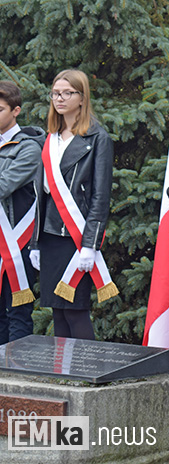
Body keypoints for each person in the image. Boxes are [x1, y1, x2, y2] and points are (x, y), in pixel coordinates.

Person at [29, 69, 116, 340]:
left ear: (82, 97)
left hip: (76, 238)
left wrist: (90, 244)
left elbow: (100, 197)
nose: (60, 98)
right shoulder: (51, 136)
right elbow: (41, 195)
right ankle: (65, 375)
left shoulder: (97, 138)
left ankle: (86, 375)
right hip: (50, 236)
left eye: (68, 93)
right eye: (56, 93)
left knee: (75, 310)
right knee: (57, 310)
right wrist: (35, 242)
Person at [0, 80, 45, 343]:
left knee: (18, 311)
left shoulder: (28, 146)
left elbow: (4, 185)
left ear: (16, 111)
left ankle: (16, 376)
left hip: (18, 242)